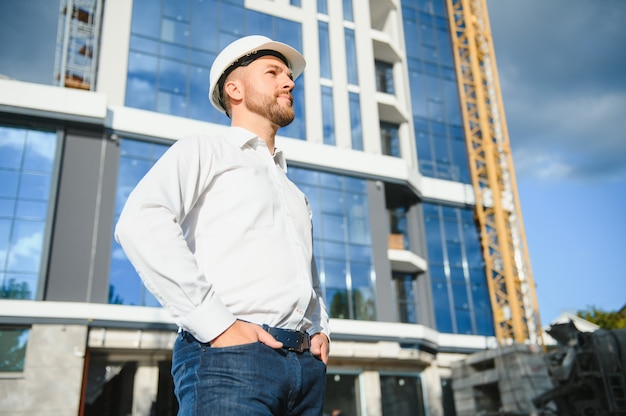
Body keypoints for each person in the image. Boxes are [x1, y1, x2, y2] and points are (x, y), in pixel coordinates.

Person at [115, 35, 330, 415]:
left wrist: (320, 329)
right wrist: (218, 327)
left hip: (305, 369)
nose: (290, 82)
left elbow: (307, 278)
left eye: (289, 76)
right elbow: (141, 221)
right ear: (235, 89)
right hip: (230, 358)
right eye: (273, 72)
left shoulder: (296, 194)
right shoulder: (202, 151)